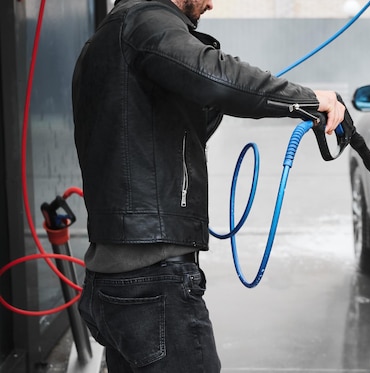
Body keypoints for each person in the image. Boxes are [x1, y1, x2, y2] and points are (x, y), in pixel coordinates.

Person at [72, 0, 345, 371]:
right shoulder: (146, 22)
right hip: (152, 284)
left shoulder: (105, 38)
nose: (211, 4)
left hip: (114, 284)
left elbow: (172, 126)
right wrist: (308, 100)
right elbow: (216, 76)